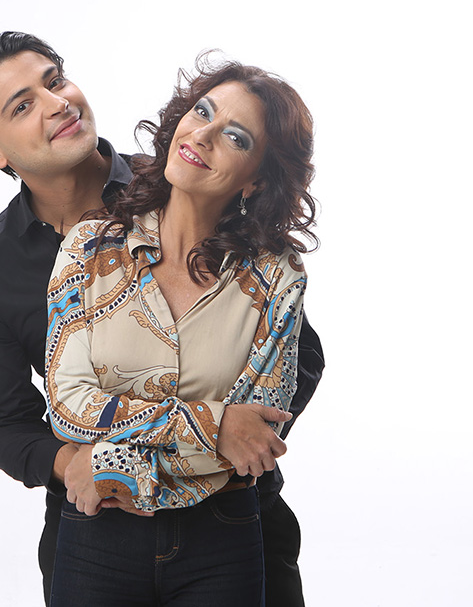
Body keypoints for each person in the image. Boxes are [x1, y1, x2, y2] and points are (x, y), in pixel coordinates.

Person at [0, 32, 323, 606]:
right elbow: (7, 424)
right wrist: (75, 462)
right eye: (22, 106)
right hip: (97, 515)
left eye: (55, 81)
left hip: (234, 519)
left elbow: (297, 354)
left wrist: (237, 448)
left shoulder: (193, 174)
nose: (57, 104)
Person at [45, 58, 317, 606]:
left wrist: (107, 462)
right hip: (98, 534)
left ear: (257, 178)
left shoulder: (277, 276)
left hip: (220, 534)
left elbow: (253, 440)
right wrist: (216, 423)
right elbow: (68, 405)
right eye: (202, 112)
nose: (203, 135)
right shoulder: (89, 247)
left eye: (236, 137)